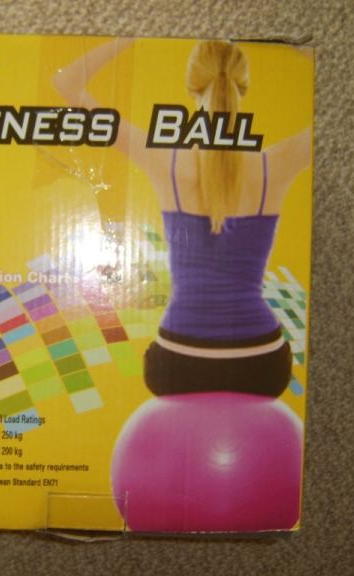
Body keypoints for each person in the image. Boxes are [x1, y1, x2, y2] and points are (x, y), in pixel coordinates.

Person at [54, 38, 312, 397]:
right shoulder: (272, 166)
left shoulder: (165, 160)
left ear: (193, 86)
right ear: (242, 86)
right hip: (262, 363)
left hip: (178, 361)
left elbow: (66, 83)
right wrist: (296, 46)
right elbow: (346, 113)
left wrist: (131, 36)